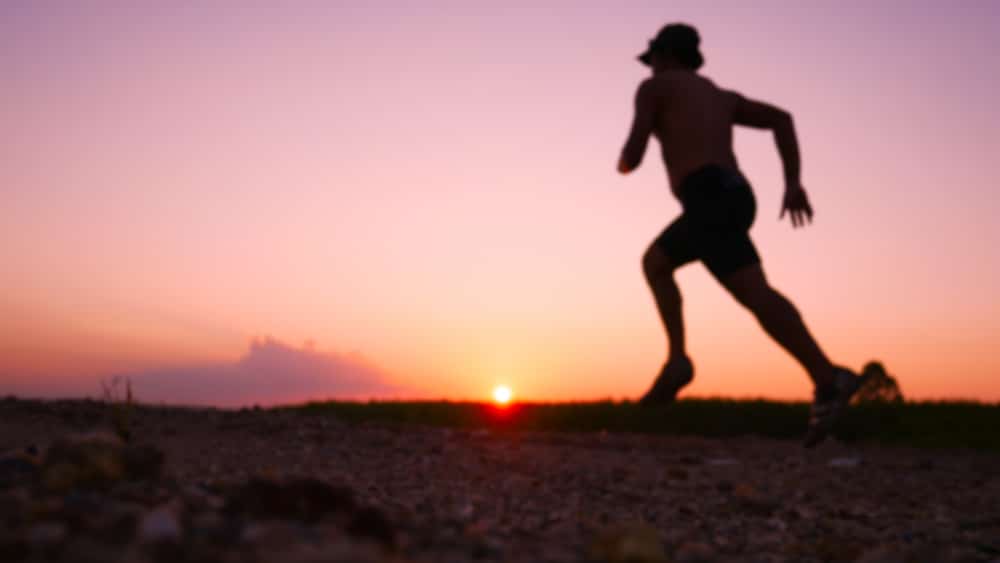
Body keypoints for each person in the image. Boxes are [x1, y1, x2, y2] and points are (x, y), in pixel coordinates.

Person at [618, 23, 866, 447]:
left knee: (671, 268)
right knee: (743, 288)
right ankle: (828, 378)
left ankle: (682, 362)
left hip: (706, 194)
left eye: (654, 59)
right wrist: (792, 183)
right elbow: (782, 120)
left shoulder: (653, 88)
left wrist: (626, 160)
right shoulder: (720, 96)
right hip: (736, 194)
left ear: (664, 55)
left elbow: (634, 152)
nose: (652, 66)